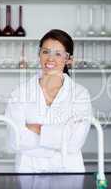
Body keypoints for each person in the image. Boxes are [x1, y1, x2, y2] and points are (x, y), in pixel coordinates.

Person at [5, 29, 92, 172]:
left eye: (58, 54)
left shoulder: (80, 94)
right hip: (29, 172)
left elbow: (74, 143)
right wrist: (60, 137)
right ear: (39, 54)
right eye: (45, 52)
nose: (50, 59)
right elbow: (15, 140)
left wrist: (36, 129)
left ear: (68, 59)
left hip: (68, 173)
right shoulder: (19, 93)